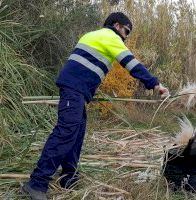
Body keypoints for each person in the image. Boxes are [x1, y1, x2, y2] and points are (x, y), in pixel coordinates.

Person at [22, 12, 169, 200]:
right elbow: (132, 64)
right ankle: (36, 183)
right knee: (66, 133)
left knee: (75, 135)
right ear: (116, 26)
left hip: (77, 91)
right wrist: (155, 84)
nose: (126, 37)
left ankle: (68, 179)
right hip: (74, 90)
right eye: (126, 31)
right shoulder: (110, 37)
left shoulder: (92, 35)